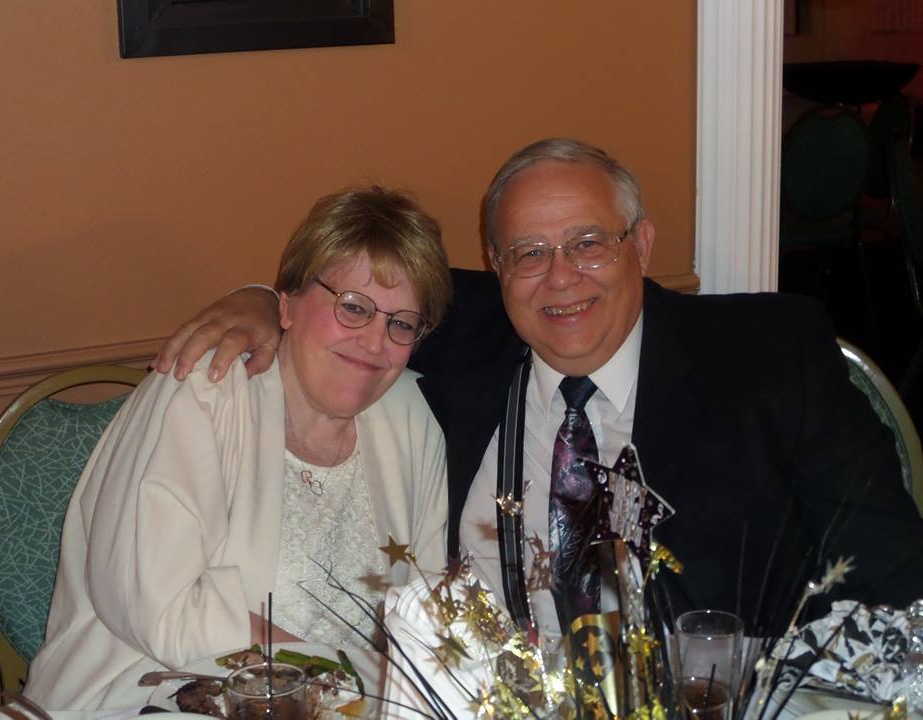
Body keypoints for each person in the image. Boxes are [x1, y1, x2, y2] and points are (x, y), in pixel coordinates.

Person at [153, 138, 923, 640]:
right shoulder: (465, 335)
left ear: (641, 244)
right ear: (496, 266)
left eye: (590, 242)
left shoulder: (768, 353)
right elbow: (344, 297)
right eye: (528, 253)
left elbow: (896, 581)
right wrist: (262, 303)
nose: (561, 277)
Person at [24, 186, 452, 711]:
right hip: (153, 691)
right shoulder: (208, 387)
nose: (374, 342)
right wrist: (344, 682)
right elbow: (158, 609)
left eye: (400, 322)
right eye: (353, 307)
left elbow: (427, 612)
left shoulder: (409, 415)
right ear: (287, 305)